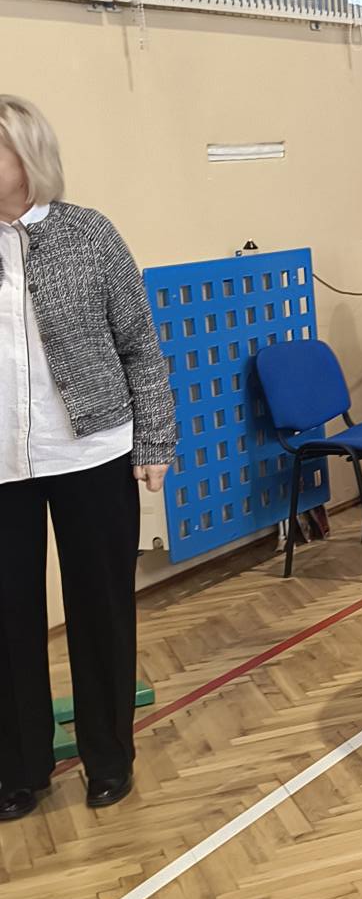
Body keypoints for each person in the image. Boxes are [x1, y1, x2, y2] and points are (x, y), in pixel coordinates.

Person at [0, 96, 177, 821]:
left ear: (27, 157)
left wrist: (155, 440)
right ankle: (19, 767)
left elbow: (140, 345)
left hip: (92, 451)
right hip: (3, 464)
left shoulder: (89, 234)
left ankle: (109, 756)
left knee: (99, 606)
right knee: (8, 614)